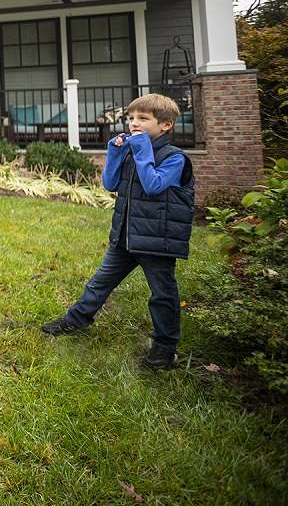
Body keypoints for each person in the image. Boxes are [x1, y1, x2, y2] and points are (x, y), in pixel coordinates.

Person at [40, 93, 194, 370]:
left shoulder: (175, 158)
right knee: (100, 282)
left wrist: (142, 151)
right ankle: (76, 320)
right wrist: (115, 153)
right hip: (125, 235)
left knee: (162, 294)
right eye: (131, 118)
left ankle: (165, 347)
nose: (134, 124)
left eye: (143, 119)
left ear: (166, 125)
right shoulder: (134, 152)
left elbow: (153, 186)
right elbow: (110, 183)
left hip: (158, 240)